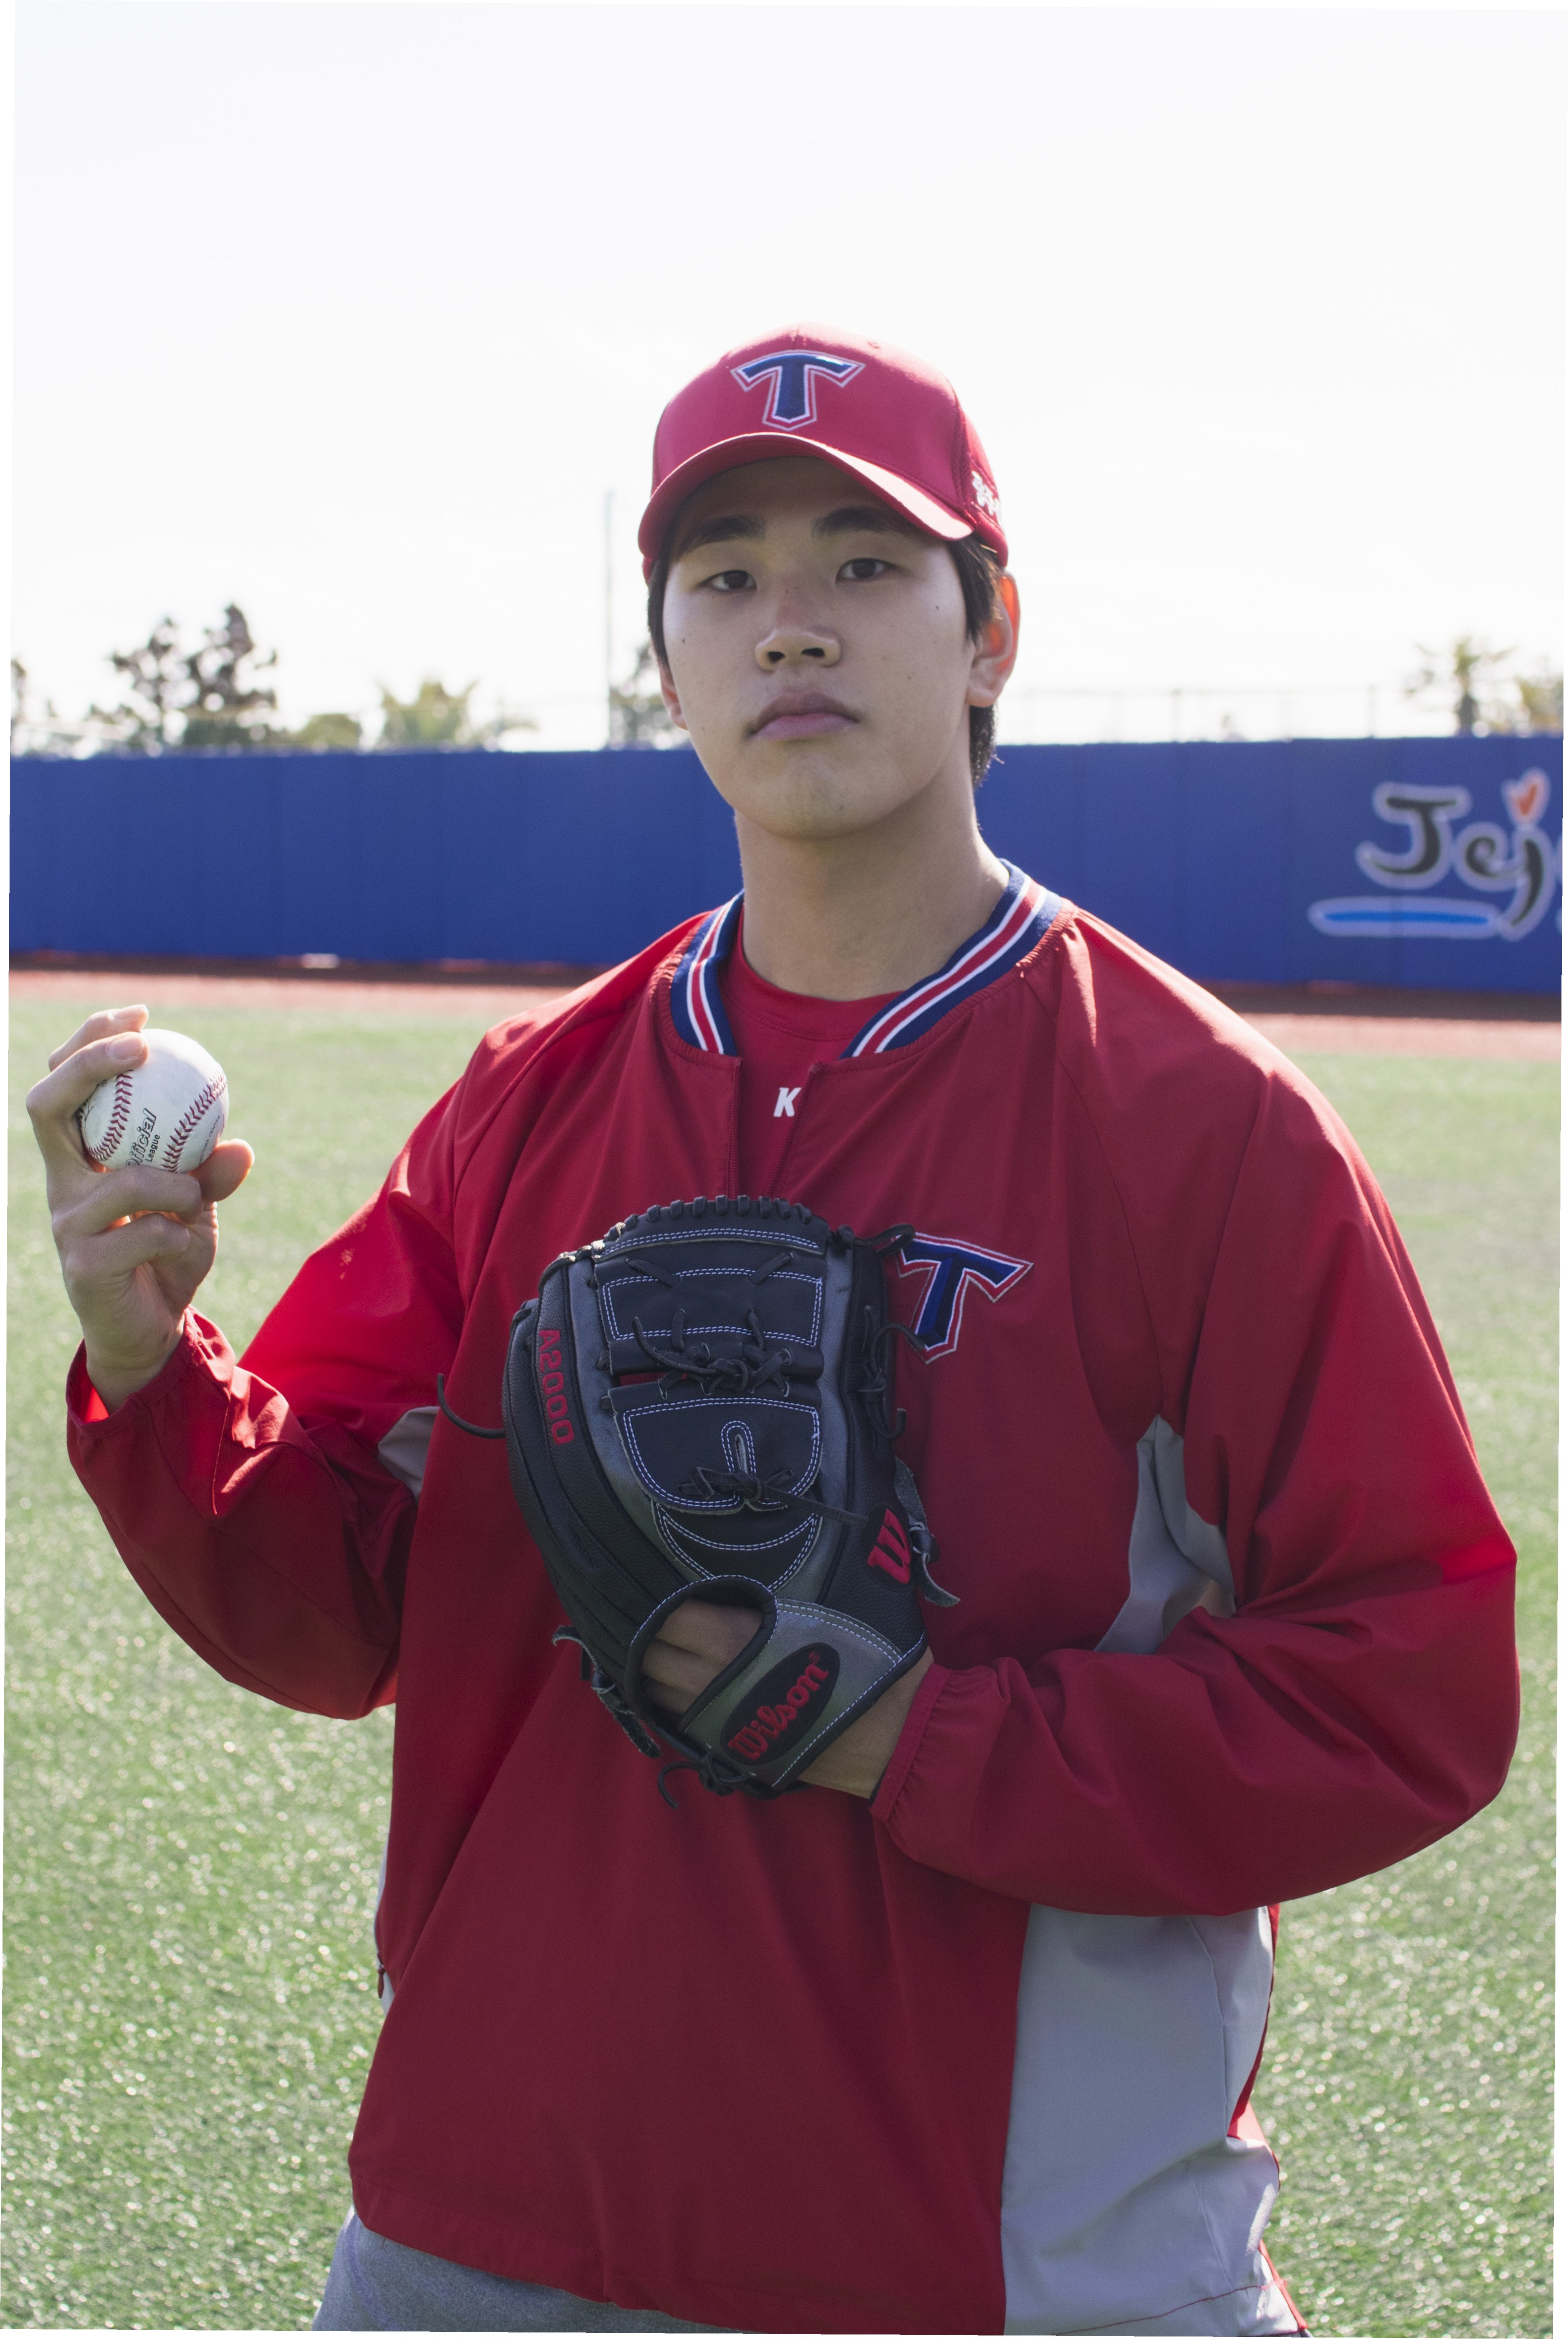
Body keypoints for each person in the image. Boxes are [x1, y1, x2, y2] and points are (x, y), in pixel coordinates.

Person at [31, 326, 1518, 2338]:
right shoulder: (527, 1103)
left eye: (864, 564)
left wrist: (917, 1733)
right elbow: (336, 1613)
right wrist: (152, 1368)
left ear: (991, 636)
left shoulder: (1206, 1129)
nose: (789, 623)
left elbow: (1405, 1687)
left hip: (1015, 2273)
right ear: (668, 664)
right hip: (489, 2224)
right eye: (724, 576)